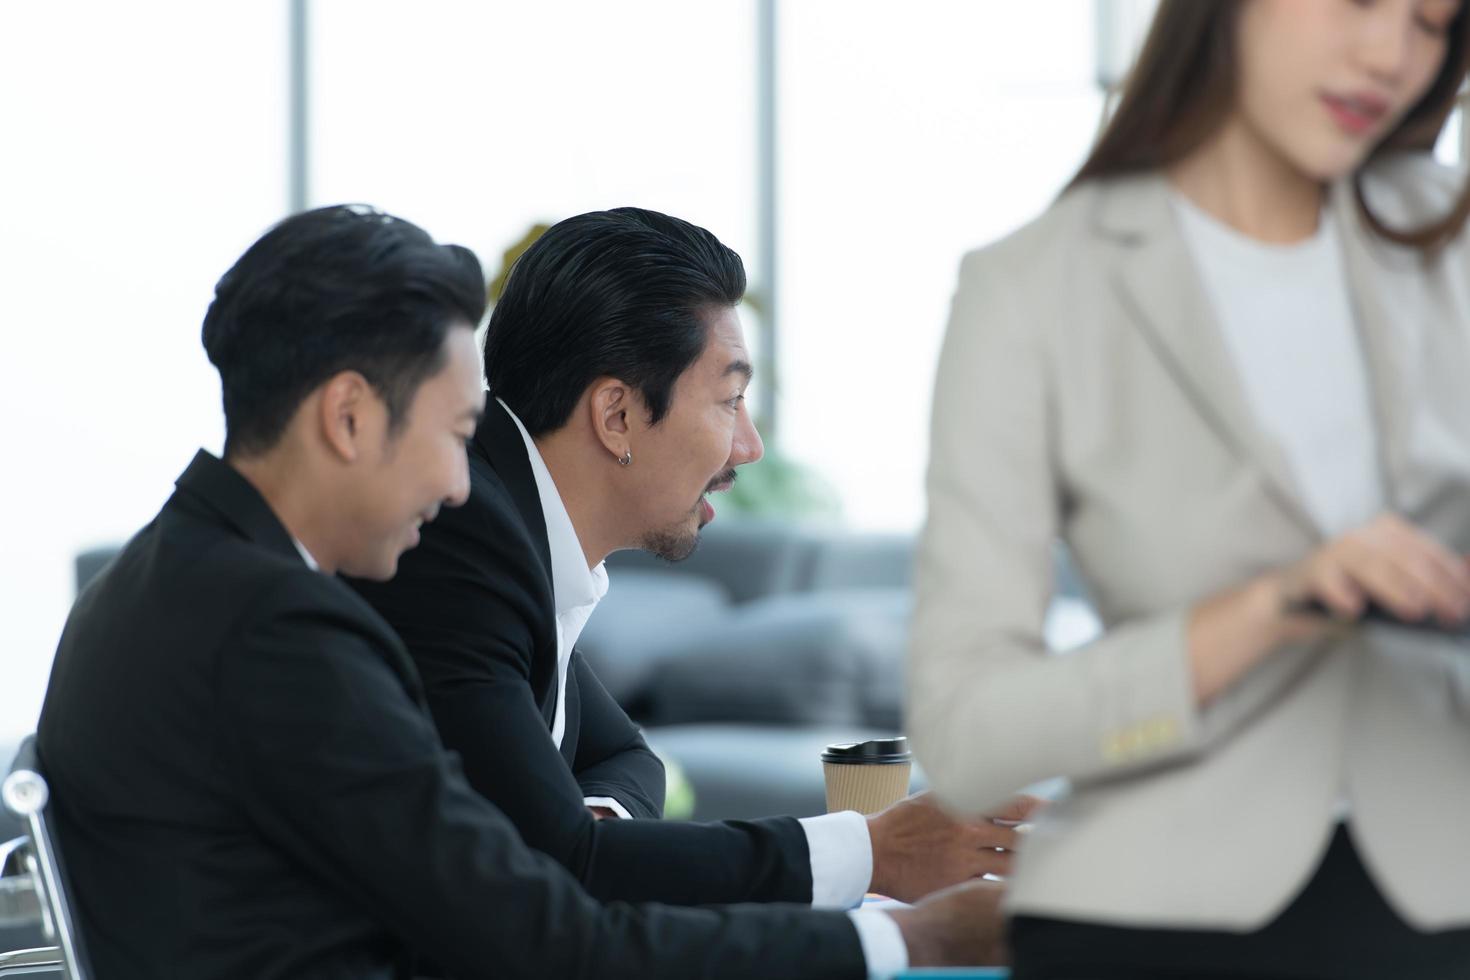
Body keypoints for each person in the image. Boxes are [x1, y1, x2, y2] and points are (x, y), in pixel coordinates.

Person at [36, 204, 1002, 980]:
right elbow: (548, 936)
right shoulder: (278, 630)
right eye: (454, 433)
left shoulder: (177, 578)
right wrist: (917, 940)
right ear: (348, 417)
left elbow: (553, 854)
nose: (462, 484)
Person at [908, 1, 1470, 977]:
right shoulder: (1035, 287)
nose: (1392, 55)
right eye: (1360, 1)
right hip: (1152, 904)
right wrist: (1265, 609)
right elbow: (967, 737)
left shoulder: (1449, 241)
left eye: (1433, 23)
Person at [348, 207, 1035, 916]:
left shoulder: (515, 531)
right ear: (615, 416)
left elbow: (627, 759)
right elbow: (554, 870)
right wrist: (875, 851)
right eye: (730, 401)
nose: (749, 447)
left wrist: (600, 829)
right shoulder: (462, 539)